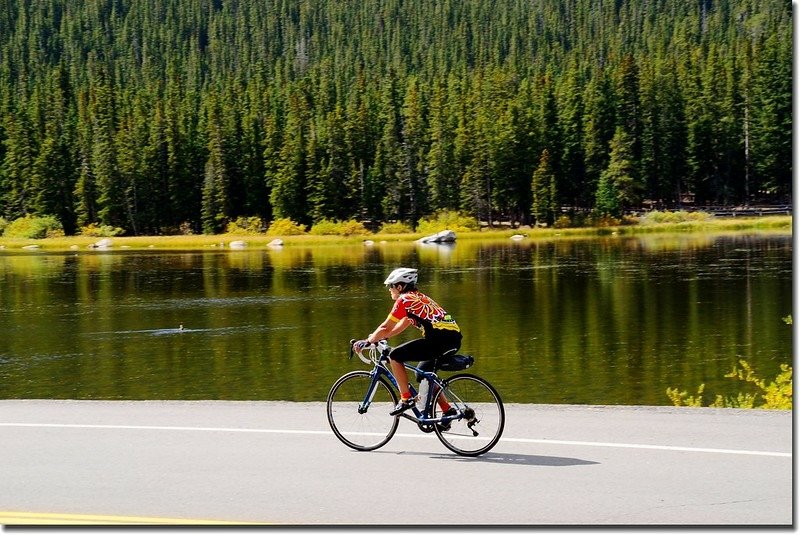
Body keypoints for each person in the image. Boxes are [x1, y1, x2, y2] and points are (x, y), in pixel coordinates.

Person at [354, 267, 461, 416]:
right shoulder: (418, 297)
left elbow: (385, 326)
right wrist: (381, 337)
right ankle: (447, 411)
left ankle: (406, 399)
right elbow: (400, 325)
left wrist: (367, 341)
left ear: (399, 286)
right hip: (452, 339)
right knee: (423, 374)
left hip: (438, 341)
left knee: (395, 356)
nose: (389, 289)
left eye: (391, 286)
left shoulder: (404, 300)